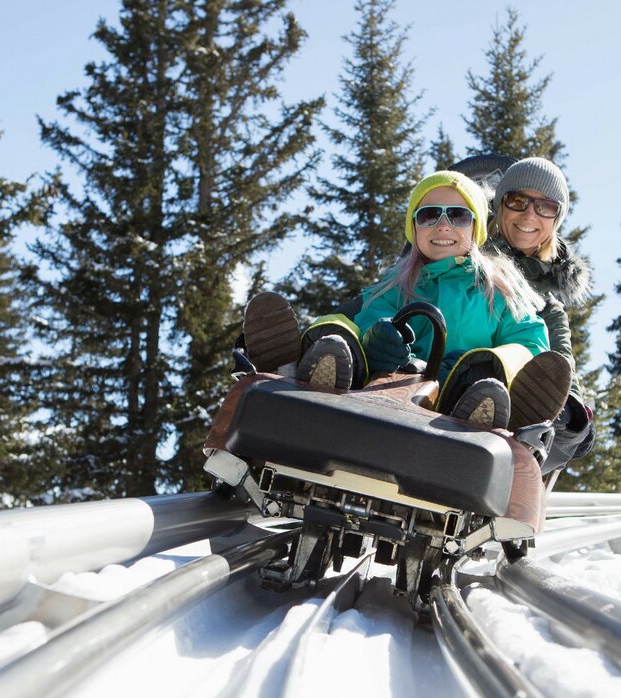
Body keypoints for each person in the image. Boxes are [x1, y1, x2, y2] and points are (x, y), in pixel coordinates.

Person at [243, 170, 570, 432]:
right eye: (429, 215)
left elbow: (530, 341)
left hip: (457, 400)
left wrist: (478, 364)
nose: (443, 225)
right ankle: (305, 367)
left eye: (458, 215)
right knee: (341, 326)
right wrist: (376, 336)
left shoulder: (499, 289)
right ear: (414, 227)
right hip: (386, 390)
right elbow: (372, 313)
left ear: (476, 229)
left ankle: (484, 402)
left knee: (508, 358)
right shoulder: (398, 284)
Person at [480, 156, 596, 471]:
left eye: (546, 207)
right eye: (518, 200)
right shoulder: (461, 255)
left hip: (505, 418)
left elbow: (562, 364)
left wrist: (569, 409)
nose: (530, 213)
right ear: (499, 205)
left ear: (556, 220)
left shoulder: (546, 309)